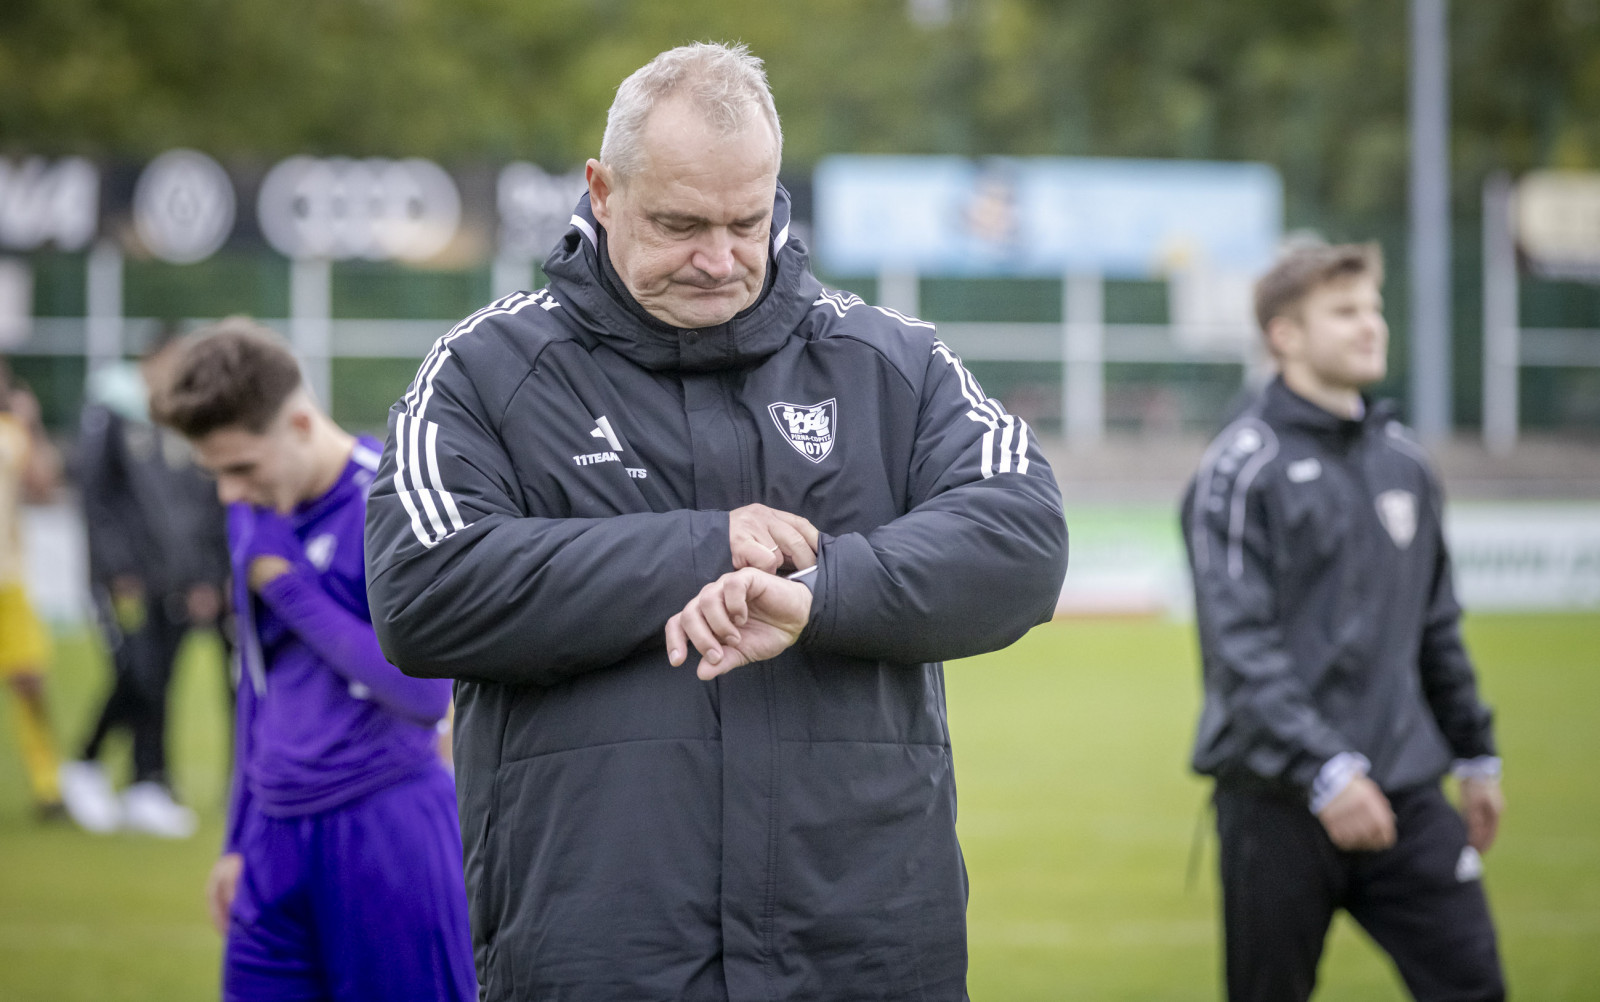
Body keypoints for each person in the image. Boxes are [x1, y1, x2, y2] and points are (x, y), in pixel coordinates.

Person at [363, 42, 1069, 1001]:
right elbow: (423, 591)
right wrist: (702, 546)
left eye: (749, 220)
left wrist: (821, 598)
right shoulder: (485, 369)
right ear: (603, 192)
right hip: (598, 955)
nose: (720, 258)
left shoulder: (889, 362)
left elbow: (1021, 535)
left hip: (866, 953)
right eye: (680, 223)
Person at [1181, 241, 1505, 1002]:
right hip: (1278, 801)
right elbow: (1239, 650)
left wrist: (1476, 753)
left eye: (1375, 309)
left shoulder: (1405, 460)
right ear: (1284, 335)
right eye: (1346, 311)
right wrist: (1326, 770)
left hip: (1408, 791)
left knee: (1476, 987)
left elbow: (1435, 626)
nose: (1372, 327)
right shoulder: (1239, 468)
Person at [152, 320, 475, 1002]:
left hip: (385, 826)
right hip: (272, 833)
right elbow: (257, 684)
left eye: (240, 467)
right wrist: (239, 837)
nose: (229, 493)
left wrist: (289, 587)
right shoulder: (254, 508)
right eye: (215, 473)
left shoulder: (391, 504)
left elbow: (425, 696)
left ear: (300, 423)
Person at [59, 331, 230, 837]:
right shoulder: (112, 414)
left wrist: (201, 575)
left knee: (160, 680)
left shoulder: (181, 421)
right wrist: (117, 571)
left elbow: (197, 507)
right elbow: (96, 500)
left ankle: (146, 782)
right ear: (150, 360)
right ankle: (85, 762)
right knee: (137, 671)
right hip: (127, 581)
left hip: (172, 579)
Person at [0, 358, 68, 820]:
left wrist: (35, 425)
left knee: (30, 681)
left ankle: (48, 789)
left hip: (8, 576)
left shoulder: (11, 432)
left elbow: (45, 487)